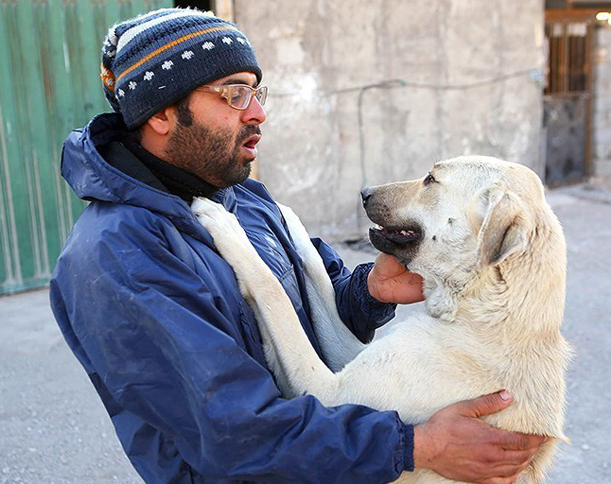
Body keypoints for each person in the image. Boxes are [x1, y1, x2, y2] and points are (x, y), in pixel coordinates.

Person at [50, 8, 544, 484]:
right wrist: (416, 446)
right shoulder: (118, 255)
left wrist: (369, 292)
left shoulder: (239, 197)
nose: (260, 112)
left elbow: (314, 311)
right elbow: (234, 431)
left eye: (257, 91)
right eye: (235, 94)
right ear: (161, 113)